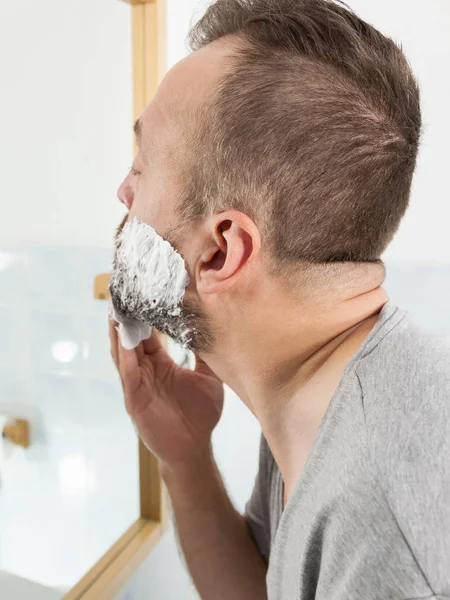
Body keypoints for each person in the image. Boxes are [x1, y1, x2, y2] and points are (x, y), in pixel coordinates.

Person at [109, 0, 450, 598]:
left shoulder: (390, 531)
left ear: (221, 251)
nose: (123, 190)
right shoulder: (315, 393)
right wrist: (185, 458)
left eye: (144, 166)